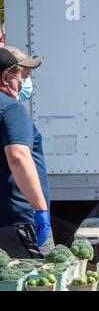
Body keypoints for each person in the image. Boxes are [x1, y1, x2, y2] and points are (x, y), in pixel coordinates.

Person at [0, 46, 54, 258]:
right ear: (6, 77)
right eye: (23, 74)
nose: (25, 81)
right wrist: (40, 210)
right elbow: (18, 156)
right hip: (20, 221)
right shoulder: (12, 109)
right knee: (44, 281)